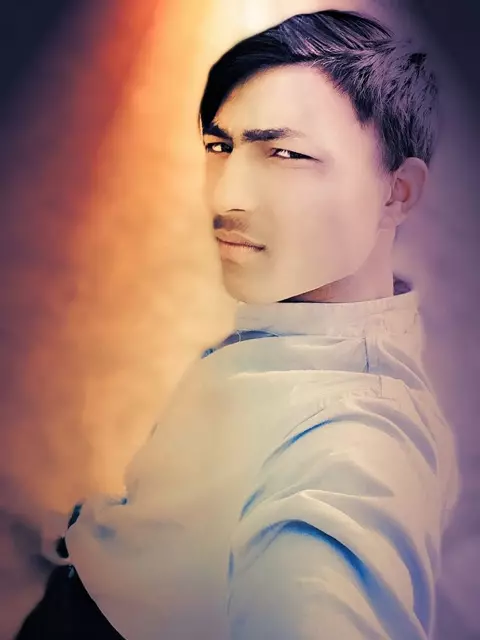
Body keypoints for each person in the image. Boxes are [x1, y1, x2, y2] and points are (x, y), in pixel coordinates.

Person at [17, 9, 459, 640]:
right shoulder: (303, 327)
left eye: (286, 154)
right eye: (220, 147)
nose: (227, 198)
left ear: (398, 192)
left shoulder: (356, 445)